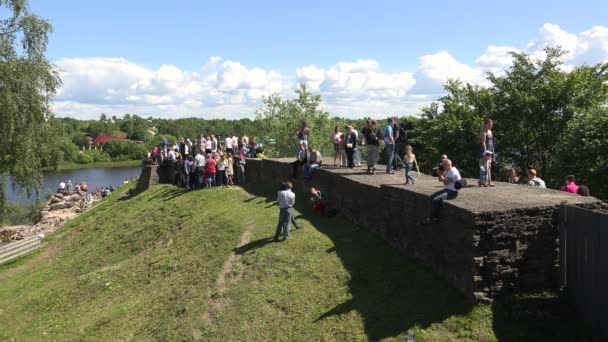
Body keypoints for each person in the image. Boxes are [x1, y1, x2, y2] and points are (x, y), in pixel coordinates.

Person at [425, 159, 461, 223]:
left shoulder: (452, 171)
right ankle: (434, 216)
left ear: (448, 165)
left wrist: (439, 173)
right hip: (447, 190)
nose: (443, 166)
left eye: (444, 165)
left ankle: (432, 218)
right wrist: (440, 173)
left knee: (435, 200)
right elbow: (440, 180)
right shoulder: (448, 170)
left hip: (452, 192)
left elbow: (445, 183)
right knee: (431, 197)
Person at [480, 119, 496, 186]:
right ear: (485, 125)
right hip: (486, 150)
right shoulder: (483, 132)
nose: (490, 126)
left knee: (489, 165)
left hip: (491, 148)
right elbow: (483, 142)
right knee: (485, 166)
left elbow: (491, 141)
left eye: (491, 125)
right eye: (489, 125)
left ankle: (486, 181)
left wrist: (492, 150)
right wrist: (485, 151)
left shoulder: (490, 131)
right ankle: (485, 181)